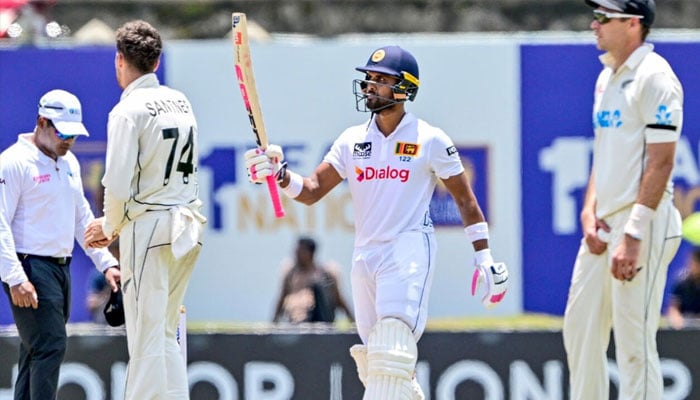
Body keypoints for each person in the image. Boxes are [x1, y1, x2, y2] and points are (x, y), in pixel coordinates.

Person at [244, 45, 509, 399]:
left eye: (380, 80)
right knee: (378, 365)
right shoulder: (352, 140)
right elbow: (310, 190)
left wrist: (484, 257)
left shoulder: (430, 139)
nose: (370, 86)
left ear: (404, 88)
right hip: (365, 256)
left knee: (391, 350)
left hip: (408, 249)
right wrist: (280, 175)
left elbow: (465, 199)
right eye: (368, 78)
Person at [562, 1, 684, 399]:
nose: (593, 25)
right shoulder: (605, 77)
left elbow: (662, 162)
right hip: (603, 224)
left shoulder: (656, 77)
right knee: (579, 330)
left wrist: (633, 233)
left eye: (604, 18)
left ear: (633, 24)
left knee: (633, 345)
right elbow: (604, 152)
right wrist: (588, 210)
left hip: (644, 224)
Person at [83, 20, 206, 400]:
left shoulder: (127, 110)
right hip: (187, 227)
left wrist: (110, 226)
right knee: (164, 334)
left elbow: (117, 184)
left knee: (146, 340)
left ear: (120, 60)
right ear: (156, 62)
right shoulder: (181, 101)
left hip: (150, 229)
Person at [0, 88, 119, 399]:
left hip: (59, 268)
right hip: (29, 266)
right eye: (63, 133)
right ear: (42, 121)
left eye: (74, 135)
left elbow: (82, 220)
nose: (69, 141)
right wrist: (15, 278)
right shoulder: (13, 162)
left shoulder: (69, 163)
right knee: (50, 346)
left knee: (36, 351)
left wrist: (107, 264)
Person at [272, 236, 354, 324]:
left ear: (310, 253)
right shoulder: (291, 274)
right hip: (297, 322)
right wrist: (274, 322)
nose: (296, 255)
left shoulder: (326, 273)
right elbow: (282, 298)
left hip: (321, 322)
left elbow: (338, 299)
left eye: (300, 252)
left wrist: (353, 321)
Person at [666, 247, 700, 329]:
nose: (691, 265)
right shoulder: (681, 281)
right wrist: (677, 320)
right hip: (683, 326)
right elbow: (673, 307)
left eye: (695, 262)